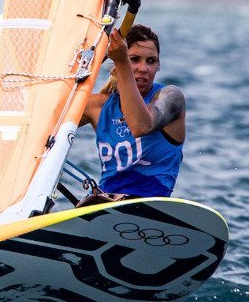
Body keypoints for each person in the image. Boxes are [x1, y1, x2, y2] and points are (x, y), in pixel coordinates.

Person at [77, 24, 185, 203]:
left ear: (158, 66)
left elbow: (141, 125)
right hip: (104, 206)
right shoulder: (98, 106)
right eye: (134, 59)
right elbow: (47, 124)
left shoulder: (172, 99)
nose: (143, 68)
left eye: (151, 61)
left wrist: (122, 63)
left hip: (151, 207)